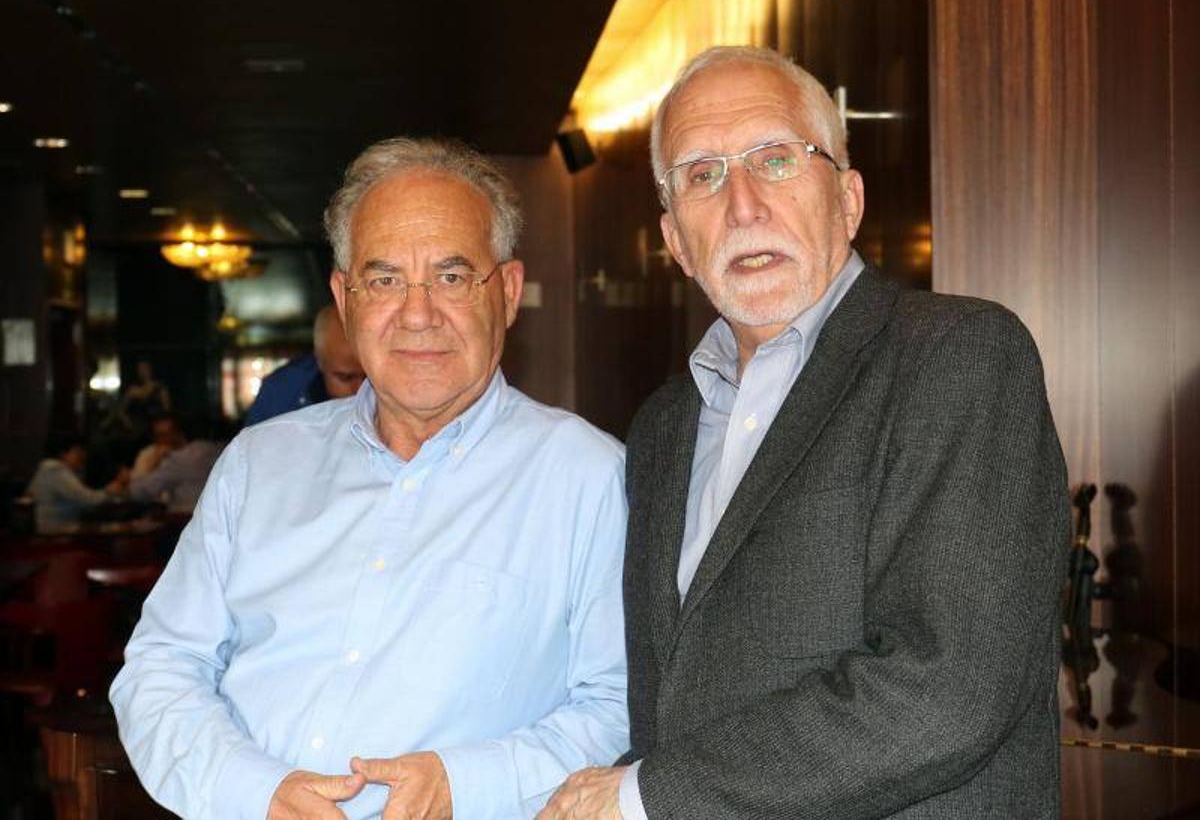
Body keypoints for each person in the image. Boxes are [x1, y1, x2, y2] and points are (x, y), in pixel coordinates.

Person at [540, 46, 1070, 819]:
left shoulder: (958, 357)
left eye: (777, 160)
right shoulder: (662, 427)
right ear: (676, 241)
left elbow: (945, 691)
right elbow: (675, 709)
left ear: (849, 199)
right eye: (702, 174)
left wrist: (641, 796)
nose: (743, 205)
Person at [111, 137, 629, 820]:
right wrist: (255, 792)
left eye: (451, 276)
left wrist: (465, 782)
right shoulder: (257, 465)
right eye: (384, 280)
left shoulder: (588, 477)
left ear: (505, 293)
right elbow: (159, 669)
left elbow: (618, 705)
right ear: (346, 300)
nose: (418, 314)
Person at [244, 305, 366, 425]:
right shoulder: (278, 395)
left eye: (368, 376)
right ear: (319, 361)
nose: (361, 389)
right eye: (345, 378)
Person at [25, 433, 128, 533]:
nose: (83, 455)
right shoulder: (56, 471)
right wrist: (109, 491)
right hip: (58, 532)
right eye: (78, 452)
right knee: (118, 531)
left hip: (54, 529)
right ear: (63, 454)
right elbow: (87, 500)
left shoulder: (47, 469)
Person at [128, 416, 223, 515]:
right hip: (213, 514)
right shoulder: (211, 449)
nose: (162, 440)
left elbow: (139, 492)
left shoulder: (178, 459)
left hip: (186, 519)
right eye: (158, 436)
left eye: (165, 434)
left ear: (178, 434)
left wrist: (150, 464)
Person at [130, 414, 187, 480]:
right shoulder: (146, 455)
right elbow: (136, 482)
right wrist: (154, 462)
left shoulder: (190, 449)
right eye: (159, 435)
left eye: (168, 434)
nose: (165, 439)